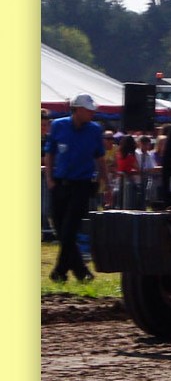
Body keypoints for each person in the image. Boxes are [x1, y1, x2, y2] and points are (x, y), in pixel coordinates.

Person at [43, 93, 107, 283]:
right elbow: (50, 154)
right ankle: (80, 272)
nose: (92, 114)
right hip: (60, 184)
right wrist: (50, 179)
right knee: (61, 229)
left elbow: (100, 158)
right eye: (88, 110)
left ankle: (60, 271)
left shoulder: (95, 130)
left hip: (82, 185)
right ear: (77, 109)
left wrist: (105, 182)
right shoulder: (58, 125)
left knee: (69, 230)